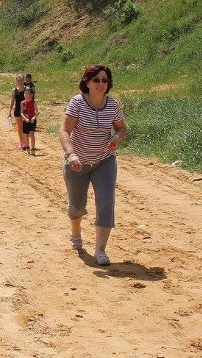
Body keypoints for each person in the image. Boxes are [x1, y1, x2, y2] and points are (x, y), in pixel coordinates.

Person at [59, 65, 128, 267]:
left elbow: (122, 128)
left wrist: (116, 137)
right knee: (76, 206)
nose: (100, 84)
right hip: (77, 162)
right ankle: (76, 233)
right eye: (96, 80)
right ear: (87, 82)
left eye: (104, 80)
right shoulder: (77, 103)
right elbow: (64, 131)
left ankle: (100, 250)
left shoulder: (112, 105)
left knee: (106, 204)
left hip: (104, 161)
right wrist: (71, 154)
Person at [8, 74, 28, 150]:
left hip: (26, 111)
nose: (20, 81)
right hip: (17, 110)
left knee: (26, 128)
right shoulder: (14, 90)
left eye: (21, 80)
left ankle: (26, 143)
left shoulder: (27, 89)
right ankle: (22, 143)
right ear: (16, 81)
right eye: (18, 80)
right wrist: (9, 111)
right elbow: (12, 101)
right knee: (20, 128)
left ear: (24, 80)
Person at [21, 87, 38, 155]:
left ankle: (33, 148)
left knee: (32, 134)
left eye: (27, 93)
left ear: (31, 95)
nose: (25, 94)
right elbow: (21, 113)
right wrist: (25, 118)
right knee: (26, 135)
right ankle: (27, 146)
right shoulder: (22, 102)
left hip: (32, 121)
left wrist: (34, 117)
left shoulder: (34, 102)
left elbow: (37, 112)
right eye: (25, 93)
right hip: (25, 121)